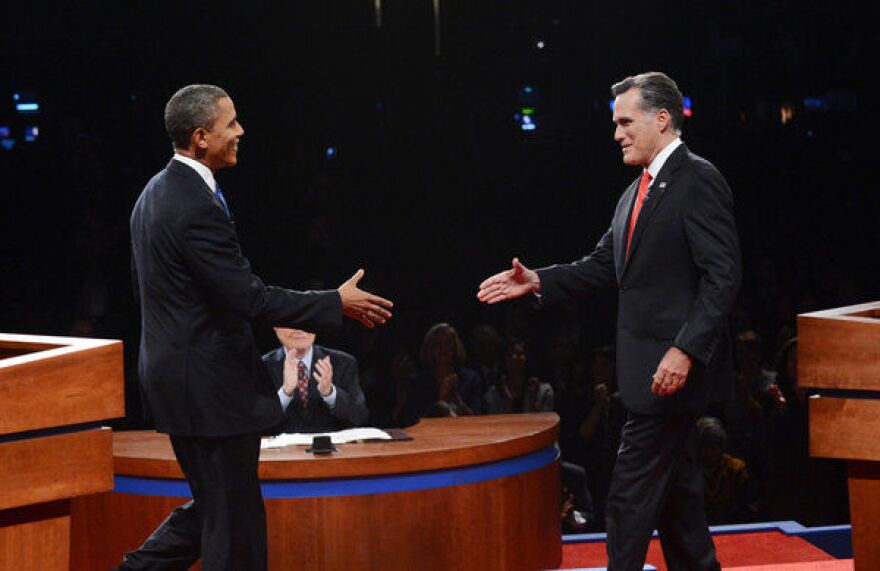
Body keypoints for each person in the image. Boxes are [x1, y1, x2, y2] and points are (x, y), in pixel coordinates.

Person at [121, 84, 393, 571]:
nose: (241, 131)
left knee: (217, 506)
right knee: (233, 519)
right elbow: (247, 296)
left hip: (177, 379)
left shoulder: (155, 192)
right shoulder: (192, 204)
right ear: (201, 137)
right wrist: (334, 302)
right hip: (208, 385)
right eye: (231, 124)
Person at [478, 71, 741, 570]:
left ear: (662, 119)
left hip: (671, 375)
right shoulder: (633, 194)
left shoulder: (697, 179)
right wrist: (538, 280)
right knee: (680, 504)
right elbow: (602, 265)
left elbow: (723, 277)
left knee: (626, 499)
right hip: (648, 372)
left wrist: (685, 349)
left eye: (625, 122)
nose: (616, 133)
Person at [262, 327, 368, 433]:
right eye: (291, 324)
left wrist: (330, 393)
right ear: (276, 329)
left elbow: (359, 417)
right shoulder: (262, 367)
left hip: (332, 447)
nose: (300, 330)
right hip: (279, 448)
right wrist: (285, 392)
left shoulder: (343, 363)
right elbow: (256, 422)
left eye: (307, 322)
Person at [400, 322, 483, 425]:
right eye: (437, 344)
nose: (443, 348)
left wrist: (455, 399)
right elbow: (411, 421)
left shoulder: (471, 378)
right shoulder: (417, 381)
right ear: (429, 348)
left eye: (448, 343)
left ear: (455, 347)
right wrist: (441, 404)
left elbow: (477, 419)